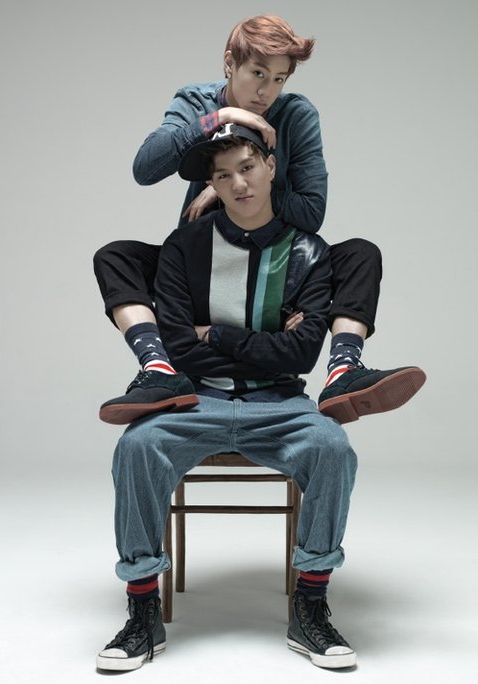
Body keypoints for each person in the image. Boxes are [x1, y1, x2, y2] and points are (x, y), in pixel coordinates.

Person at [96, 124, 359, 673]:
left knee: (333, 448)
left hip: (281, 404)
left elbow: (301, 355)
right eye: (223, 176)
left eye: (247, 168)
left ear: (270, 166)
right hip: (196, 401)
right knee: (136, 447)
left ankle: (310, 604)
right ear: (210, 186)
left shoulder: (310, 252)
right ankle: (142, 609)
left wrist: (214, 334)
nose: (238, 184)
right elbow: (178, 349)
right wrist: (265, 344)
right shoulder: (184, 246)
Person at [93, 14, 426, 426]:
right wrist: (218, 120)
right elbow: (145, 169)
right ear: (229, 63)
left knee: (360, 254)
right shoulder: (196, 102)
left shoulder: (295, 115)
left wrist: (230, 187)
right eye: (258, 74)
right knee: (116, 257)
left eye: (279, 79)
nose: (266, 91)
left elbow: (311, 211)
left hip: (276, 264)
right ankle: (158, 369)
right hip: (203, 266)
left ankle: (343, 369)